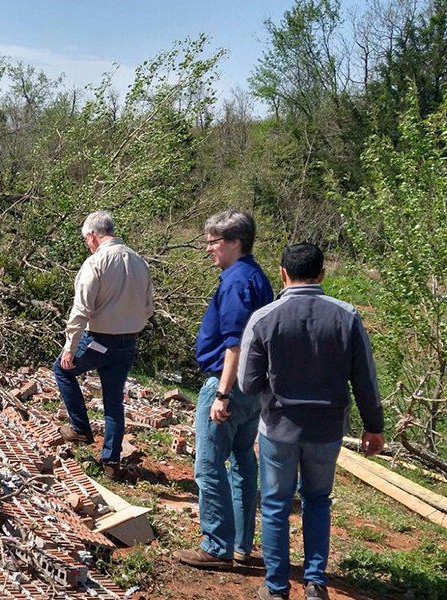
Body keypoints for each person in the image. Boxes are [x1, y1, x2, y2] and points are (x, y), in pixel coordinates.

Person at [238, 242, 385, 600]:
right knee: (318, 500)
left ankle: (276, 588)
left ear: (283, 273)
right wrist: (374, 426)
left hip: (278, 428)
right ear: (322, 274)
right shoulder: (347, 316)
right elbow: (365, 378)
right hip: (327, 429)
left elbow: (247, 383)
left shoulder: (263, 318)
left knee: (275, 505)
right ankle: (316, 584)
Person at [175, 209, 273, 570]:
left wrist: (222, 394)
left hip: (229, 384)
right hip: (255, 387)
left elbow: (235, 344)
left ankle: (216, 545)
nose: (208, 249)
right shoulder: (257, 277)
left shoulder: (235, 282)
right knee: (244, 461)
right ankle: (241, 545)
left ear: (235, 242)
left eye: (213, 242)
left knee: (208, 465)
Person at [53, 211, 154, 481]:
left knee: (63, 370)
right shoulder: (139, 261)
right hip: (129, 341)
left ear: (92, 236)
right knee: (113, 401)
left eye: (86, 239)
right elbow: (148, 308)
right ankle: (111, 462)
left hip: (98, 340)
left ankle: (81, 428)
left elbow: (81, 309)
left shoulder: (95, 263)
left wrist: (70, 347)